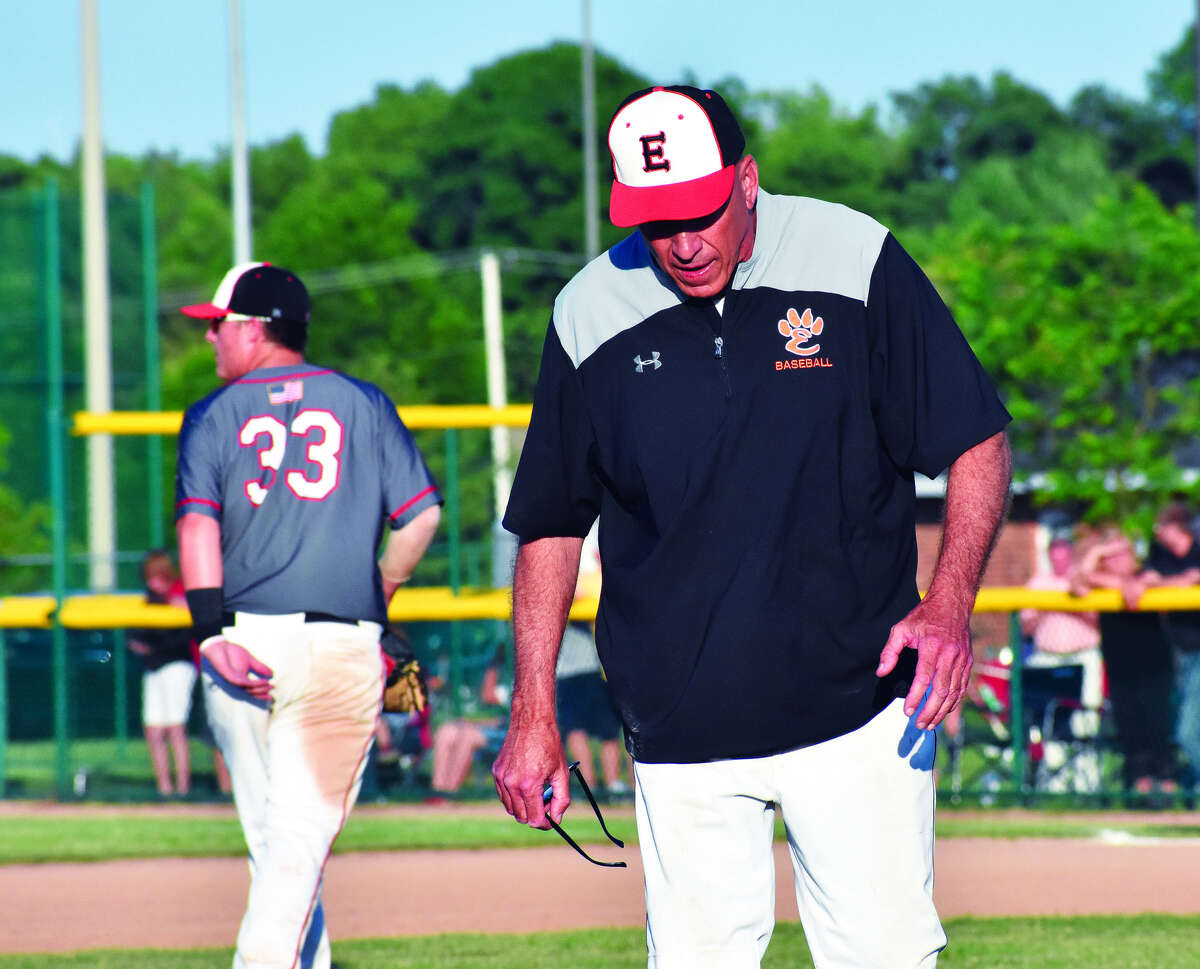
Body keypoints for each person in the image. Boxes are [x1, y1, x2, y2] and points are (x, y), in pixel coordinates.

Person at [493, 85, 1012, 969]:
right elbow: (549, 522)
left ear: (746, 181)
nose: (683, 245)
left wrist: (950, 600)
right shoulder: (589, 309)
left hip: (861, 709)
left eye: (699, 214)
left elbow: (977, 439)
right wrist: (532, 706)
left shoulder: (854, 256)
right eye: (656, 225)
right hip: (679, 723)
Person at [174, 262, 442, 969]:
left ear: (255, 330)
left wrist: (208, 637)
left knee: (278, 849)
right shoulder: (363, 401)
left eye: (218, 325)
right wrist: (381, 588)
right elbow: (421, 518)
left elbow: (197, 529)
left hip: (241, 645)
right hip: (337, 645)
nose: (211, 339)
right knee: (293, 852)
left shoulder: (210, 414)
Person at [1071, 529, 1177, 802]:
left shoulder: (1148, 575)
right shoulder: (1101, 585)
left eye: (1123, 554)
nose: (1118, 561)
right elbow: (1075, 583)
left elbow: (1150, 582)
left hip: (1155, 669)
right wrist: (1097, 554)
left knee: (1159, 732)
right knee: (1132, 735)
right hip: (1121, 671)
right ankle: (1141, 798)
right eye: (1112, 556)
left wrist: (1124, 582)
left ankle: (1169, 794)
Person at [556, 526, 629, 798]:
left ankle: (608, 786)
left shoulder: (594, 577)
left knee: (609, 730)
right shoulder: (593, 576)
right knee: (592, 729)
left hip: (599, 666)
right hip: (592, 666)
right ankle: (601, 787)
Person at [1139, 503, 1200, 789]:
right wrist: (1175, 583)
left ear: (1176, 527)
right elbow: (1145, 582)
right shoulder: (1160, 555)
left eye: (1160, 527)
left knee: (1188, 732)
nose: (1158, 533)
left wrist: (1164, 583)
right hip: (1178, 652)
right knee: (1183, 727)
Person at [128, 550, 198, 797]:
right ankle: (164, 789)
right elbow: (134, 635)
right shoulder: (148, 601)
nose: (152, 582)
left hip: (177, 666)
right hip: (153, 668)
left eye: (156, 576)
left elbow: (183, 638)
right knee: (154, 730)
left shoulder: (179, 596)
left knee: (175, 728)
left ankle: (183, 788)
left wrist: (153, 648)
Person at [1019, 533, 1103, 708]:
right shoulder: (1037, 584)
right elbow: (1025, 627)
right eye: (1055, 558)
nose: (1059, 562)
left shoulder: (1084, 580)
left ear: (1070, 555)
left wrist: (1072, 608)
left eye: (1063, 557)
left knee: (1089, 706)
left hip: (1083, 655)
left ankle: (1088, 733)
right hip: (1047, 657)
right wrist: (1046, 609)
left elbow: (1099, 619)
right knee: (1035, 696)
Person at [427, 644, 510, 799]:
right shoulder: (481, 676)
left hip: (506, 734)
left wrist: (474, 723)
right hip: (479, 726)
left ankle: (451, 791)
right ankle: (438, 790)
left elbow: (497, 712)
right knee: (446, 731)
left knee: (468, 735)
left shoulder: (511, 678)